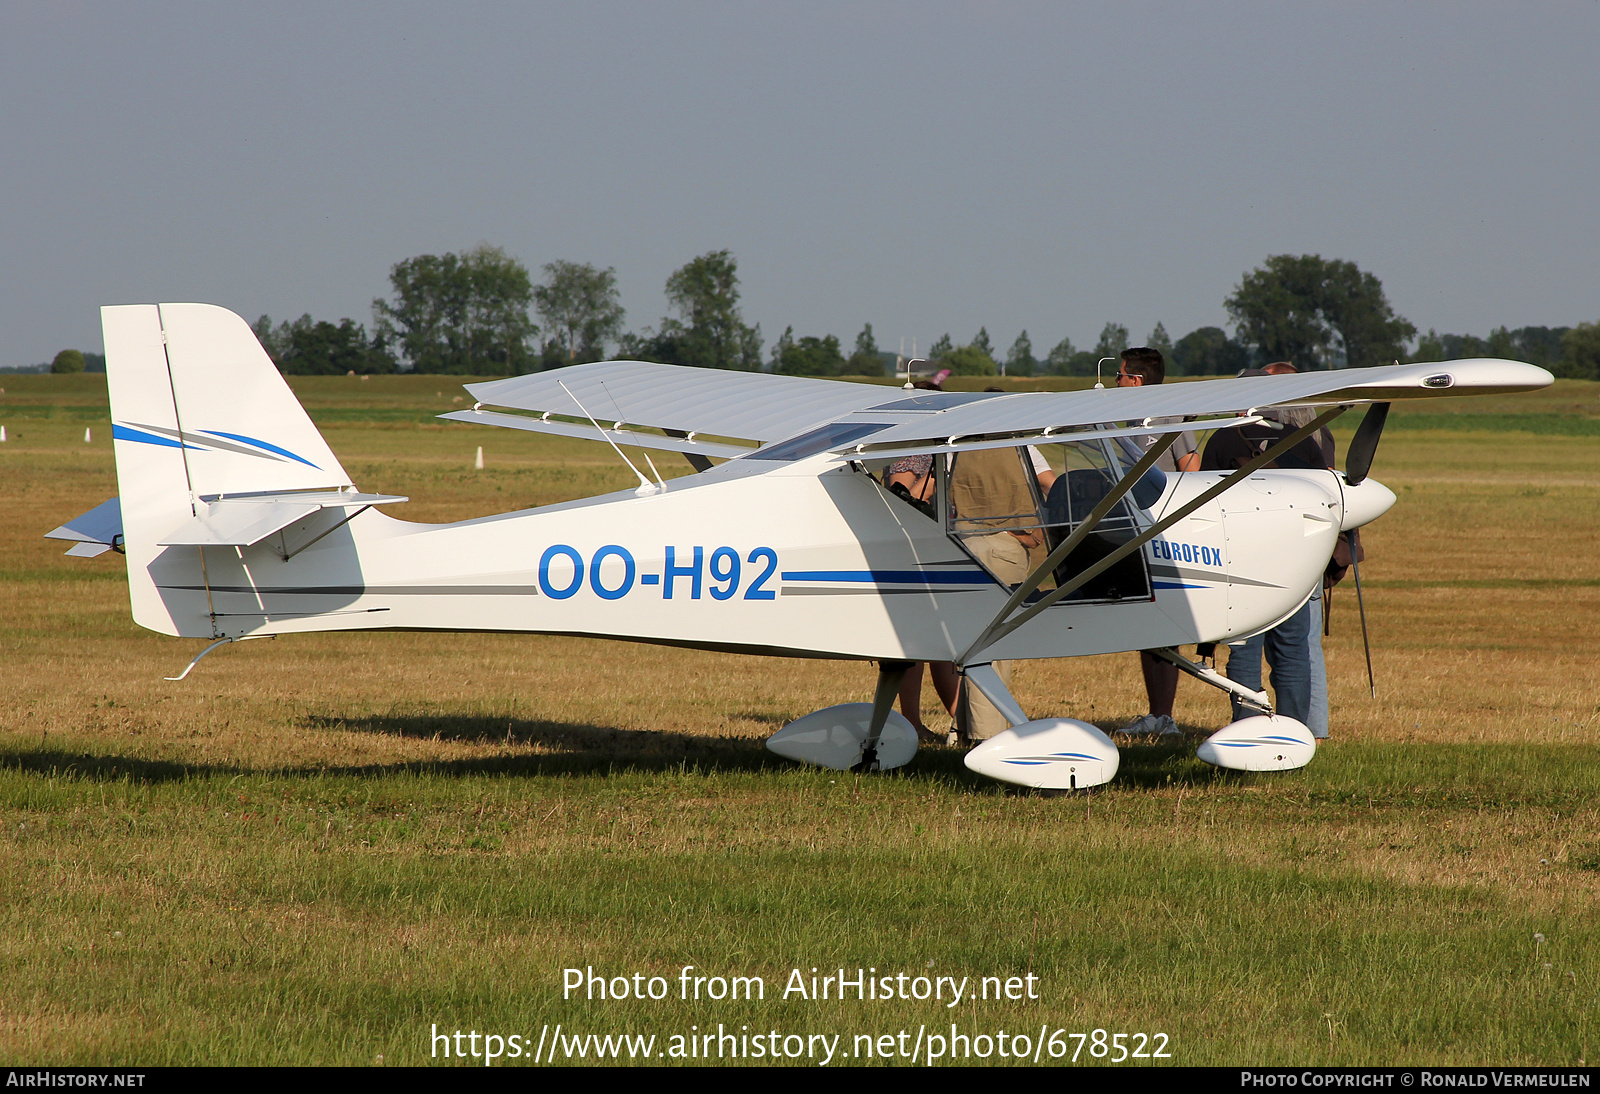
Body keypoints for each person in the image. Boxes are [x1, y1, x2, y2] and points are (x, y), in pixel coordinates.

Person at [1200, 368, 1331, 729]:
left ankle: (1248, 728)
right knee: (1292, 652)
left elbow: (1204, 504)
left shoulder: (1221, 441)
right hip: (1295, 564)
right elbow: (1326, 496)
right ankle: (1296, 731)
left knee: (1243, 652)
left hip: (1242, 562)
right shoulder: (1301, 439)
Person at [1112, 348, 1199, 738]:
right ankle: (1157, 713)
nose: (1115, 382)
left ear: (1136, 380)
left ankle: (1164, 715)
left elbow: (1190, 469)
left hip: (1166, 529)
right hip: (1131, 527)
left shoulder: (1174, 412)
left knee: (1163, 623)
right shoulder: (1124, 416)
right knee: (1147, 622)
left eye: (1119, 376)